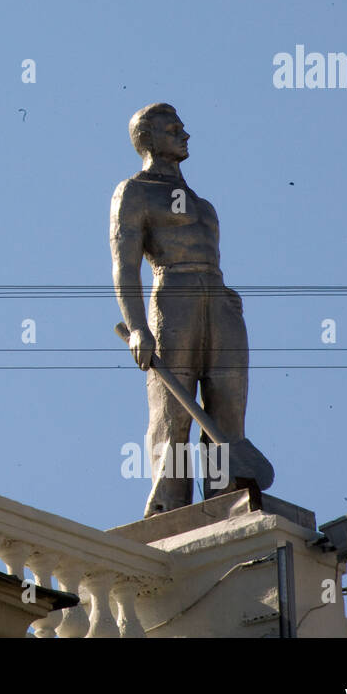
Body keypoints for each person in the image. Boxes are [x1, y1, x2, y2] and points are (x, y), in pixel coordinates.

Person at [109, 103, 249, 516]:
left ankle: (225, 495)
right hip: (174, 294)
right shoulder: (134, 191)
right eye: (174, 129)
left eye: (183, 128)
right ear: (148, 138)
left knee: (227, 406)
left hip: (220, 300)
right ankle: (169, 502)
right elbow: (125, 264)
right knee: (175, 407)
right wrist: (137, 327)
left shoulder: (204, 204)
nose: (185, 135)